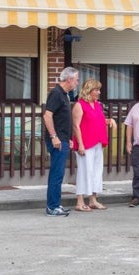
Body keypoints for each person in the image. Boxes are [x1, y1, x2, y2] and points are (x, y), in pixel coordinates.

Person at [41, 66, 80, 217]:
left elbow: (63, 119)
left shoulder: (64, 94)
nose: (77, 83)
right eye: (76, 80)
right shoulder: (56, 93)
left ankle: (55, 204)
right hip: (56, 140)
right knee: (57, 174)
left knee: (59, 173)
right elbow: (47, 115)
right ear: (69, 79)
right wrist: (54, 136)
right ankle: (52, 206)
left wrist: (68, 138)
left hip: (62, 139)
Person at [71, 78, 112, 212]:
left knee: (96, 171)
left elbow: (96, 120)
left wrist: (108, 121)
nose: (99, 92)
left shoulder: (97, 104)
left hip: (97, 141)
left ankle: (93, 199)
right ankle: (80, 201)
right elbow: (76, 126)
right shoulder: (80, 105)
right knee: (84, 171)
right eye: (97, 90)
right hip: (86, 143)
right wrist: (81, 144)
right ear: (89, 90)